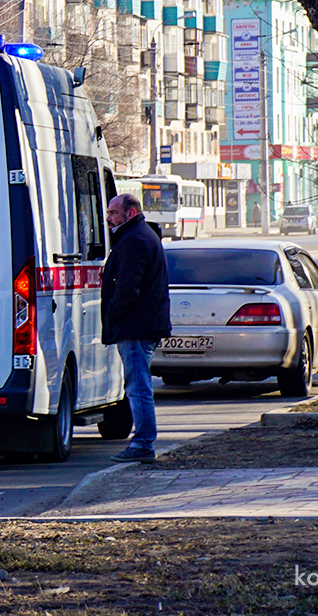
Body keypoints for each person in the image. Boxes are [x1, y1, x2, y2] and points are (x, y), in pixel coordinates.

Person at [102, 192, 171, 462]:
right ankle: (143, 441)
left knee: (138, 387)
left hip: (136, 327)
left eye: (113, 213)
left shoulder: (133, 240)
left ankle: (143, 443)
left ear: (130, 213)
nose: (108, 218)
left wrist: (112, 315)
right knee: (138, 385)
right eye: (108, 213)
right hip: (143, 323)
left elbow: (128, 287)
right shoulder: (139, 236)